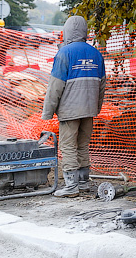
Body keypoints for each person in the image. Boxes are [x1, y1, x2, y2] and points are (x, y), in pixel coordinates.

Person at [42, 15, 106, 197]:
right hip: (89, 108)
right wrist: (97, 107)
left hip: (70, 110)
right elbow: (102, 85)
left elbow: (55, 86)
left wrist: (48, 112)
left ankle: (71, 186)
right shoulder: (96, 53)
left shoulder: (64, 54)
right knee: (83, 144)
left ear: (67, 31)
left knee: (68, 146)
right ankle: (84, 182)